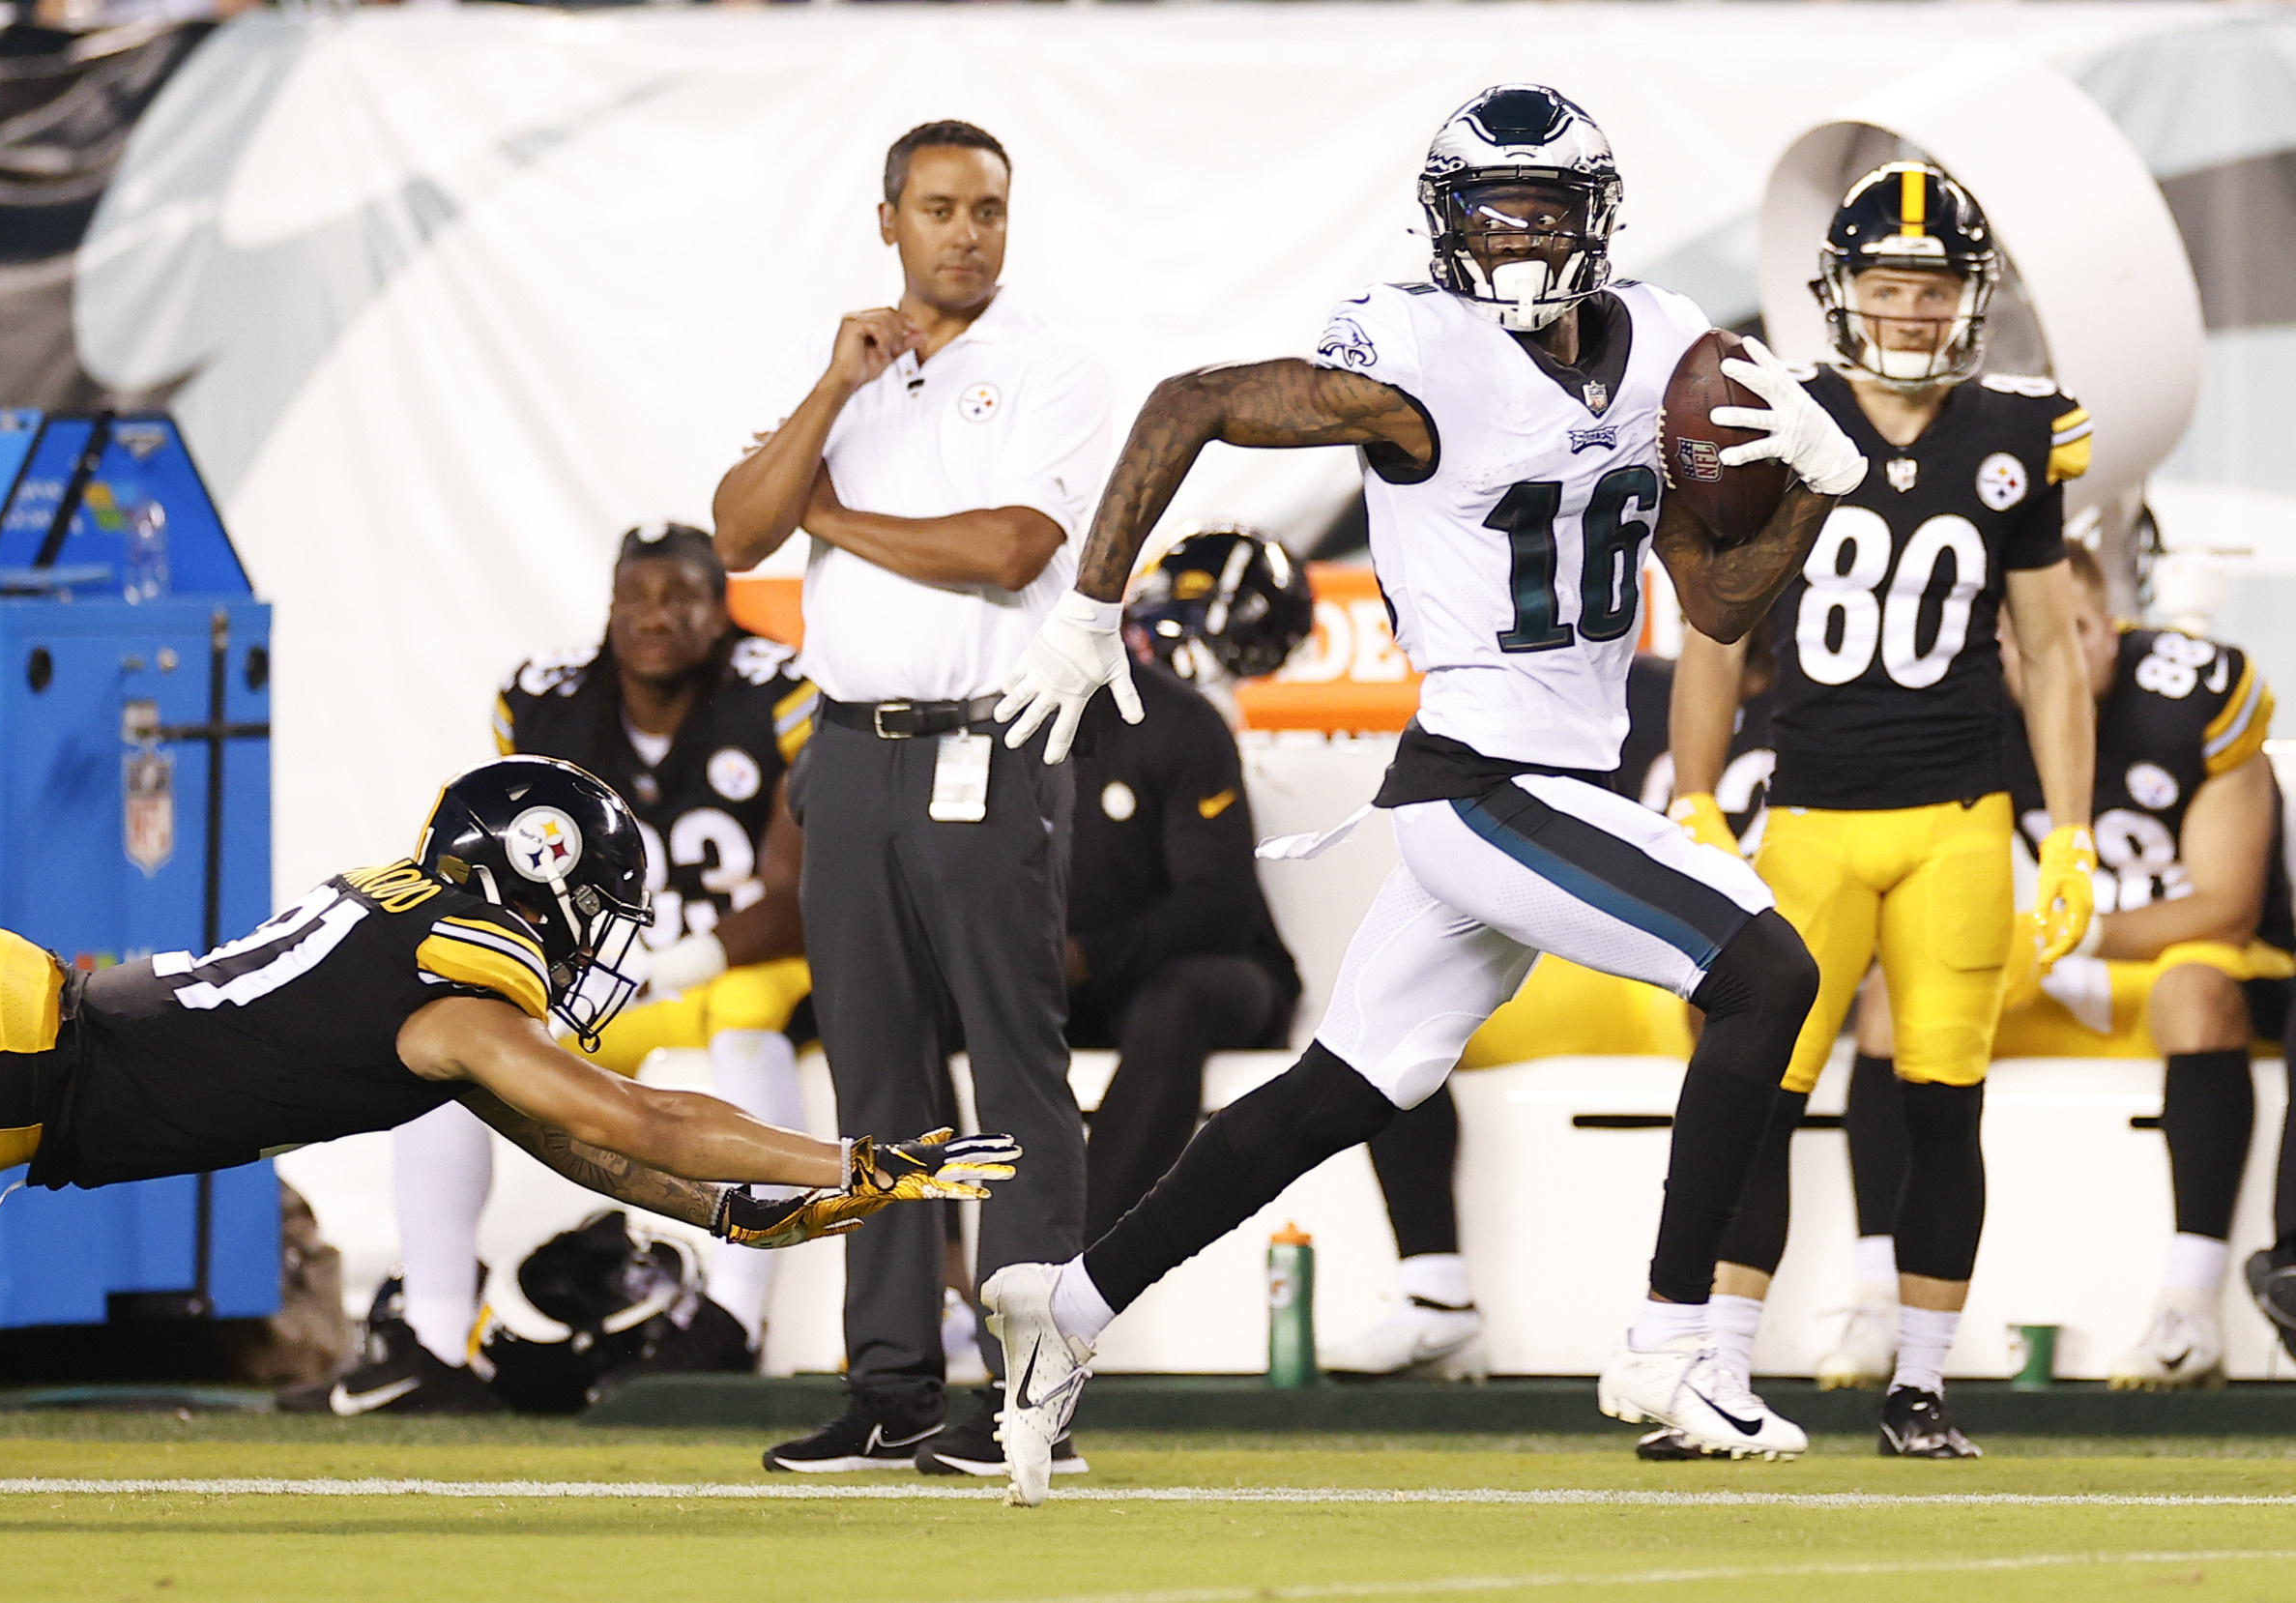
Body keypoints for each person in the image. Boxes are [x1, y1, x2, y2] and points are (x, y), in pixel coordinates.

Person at [981, 83, 1869, 1506]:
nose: (1522, 241)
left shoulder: (1666, 356)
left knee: (1343, 1085)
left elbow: (1713, 606)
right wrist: (1092, 606)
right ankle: (1670, 1342)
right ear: (1449, 226)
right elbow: (1189, 402)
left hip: (1546, 787)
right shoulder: (1414, 360)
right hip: (1483, 780)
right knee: (1767, 972)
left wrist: (1819, 487)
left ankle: (1070, 1310)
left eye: (1546, 210)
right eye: (1494, 212)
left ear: (1597, 217)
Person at [0, 757, 1018, 1332]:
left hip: (24, 1019)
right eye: (598, 909)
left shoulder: (417, 945)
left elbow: (575, 1137)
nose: (599, 941)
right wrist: (855, 1160)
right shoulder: (455, 1004)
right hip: (19, 1054)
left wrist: (729, 1214)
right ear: (539, 877)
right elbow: (639, 1114)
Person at [1658, 162, 2096, 1461]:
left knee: (1939, 1099)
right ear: (1842, 292)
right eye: (1888, 284)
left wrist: (2064, 826)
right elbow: (1715, 633)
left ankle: (1917, 1384)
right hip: (1812, 811)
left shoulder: (2019, 435)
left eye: (1934, 283)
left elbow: (2051, 649)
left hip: (1959, 811)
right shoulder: (1780, 416)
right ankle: (1719, 1375)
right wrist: (1692, 796)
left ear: (1972, 297)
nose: (1910, 310)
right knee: (1759, 1093)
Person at [712, 119, 1109, 1474]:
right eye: (940, 208)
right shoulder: (839, 364)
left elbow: (1009, 551)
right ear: (888, 219)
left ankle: (1030, 1389)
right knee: (874, 1073)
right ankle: (890, 1382)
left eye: (989, 209)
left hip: (992, 740)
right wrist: (829, 392)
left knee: (1011, 1067)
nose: (968, 232)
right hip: (851, 748)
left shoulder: (1048, 365)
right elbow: (732, 530)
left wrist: (831, 516)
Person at [354, 524, 821, 1414]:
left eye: (680, 596)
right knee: (440, 1053)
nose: (656, 617)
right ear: (608, 608)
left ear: (717, 612)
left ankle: (729, 1316)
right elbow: (489, 871)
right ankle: (436, 1332)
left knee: (747, 1032)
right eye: (636, 598)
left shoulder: (776, 692)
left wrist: (681, 959)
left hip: (734, 968)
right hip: (594, 976)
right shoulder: (544, 701)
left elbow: (800, 892)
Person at [1840, 542, 2287, 1389]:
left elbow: (2224, 906)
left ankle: (2189, 1308)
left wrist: (2062, 931)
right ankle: (1876, 1299)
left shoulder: (2192, 694)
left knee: (2197, 989)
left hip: (2175, 964)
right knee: (1889, 1002)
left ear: (2112, 627)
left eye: (2079, 627)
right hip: (2046, 954)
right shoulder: (1956, 710)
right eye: (2031, 634)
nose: (2064, 650)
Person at [1330, 626, 1784, 1380]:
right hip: (1584, 955)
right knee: (1396, 1028)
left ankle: (1688, 1323)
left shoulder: (1824, 707)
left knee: (1737, 1012)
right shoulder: (1627, 689)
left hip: (1694, 976)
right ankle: (1435, 1295)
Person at [1072, 528, 1305, 1247]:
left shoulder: (1181, 722)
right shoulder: (980, 718)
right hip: (1062, 979)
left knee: (1181, 999)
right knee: (903, 987)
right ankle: (939, 1285)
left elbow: (1220, 906)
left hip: (1196, 975)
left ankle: (1067, 1271)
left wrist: (1086, 957)